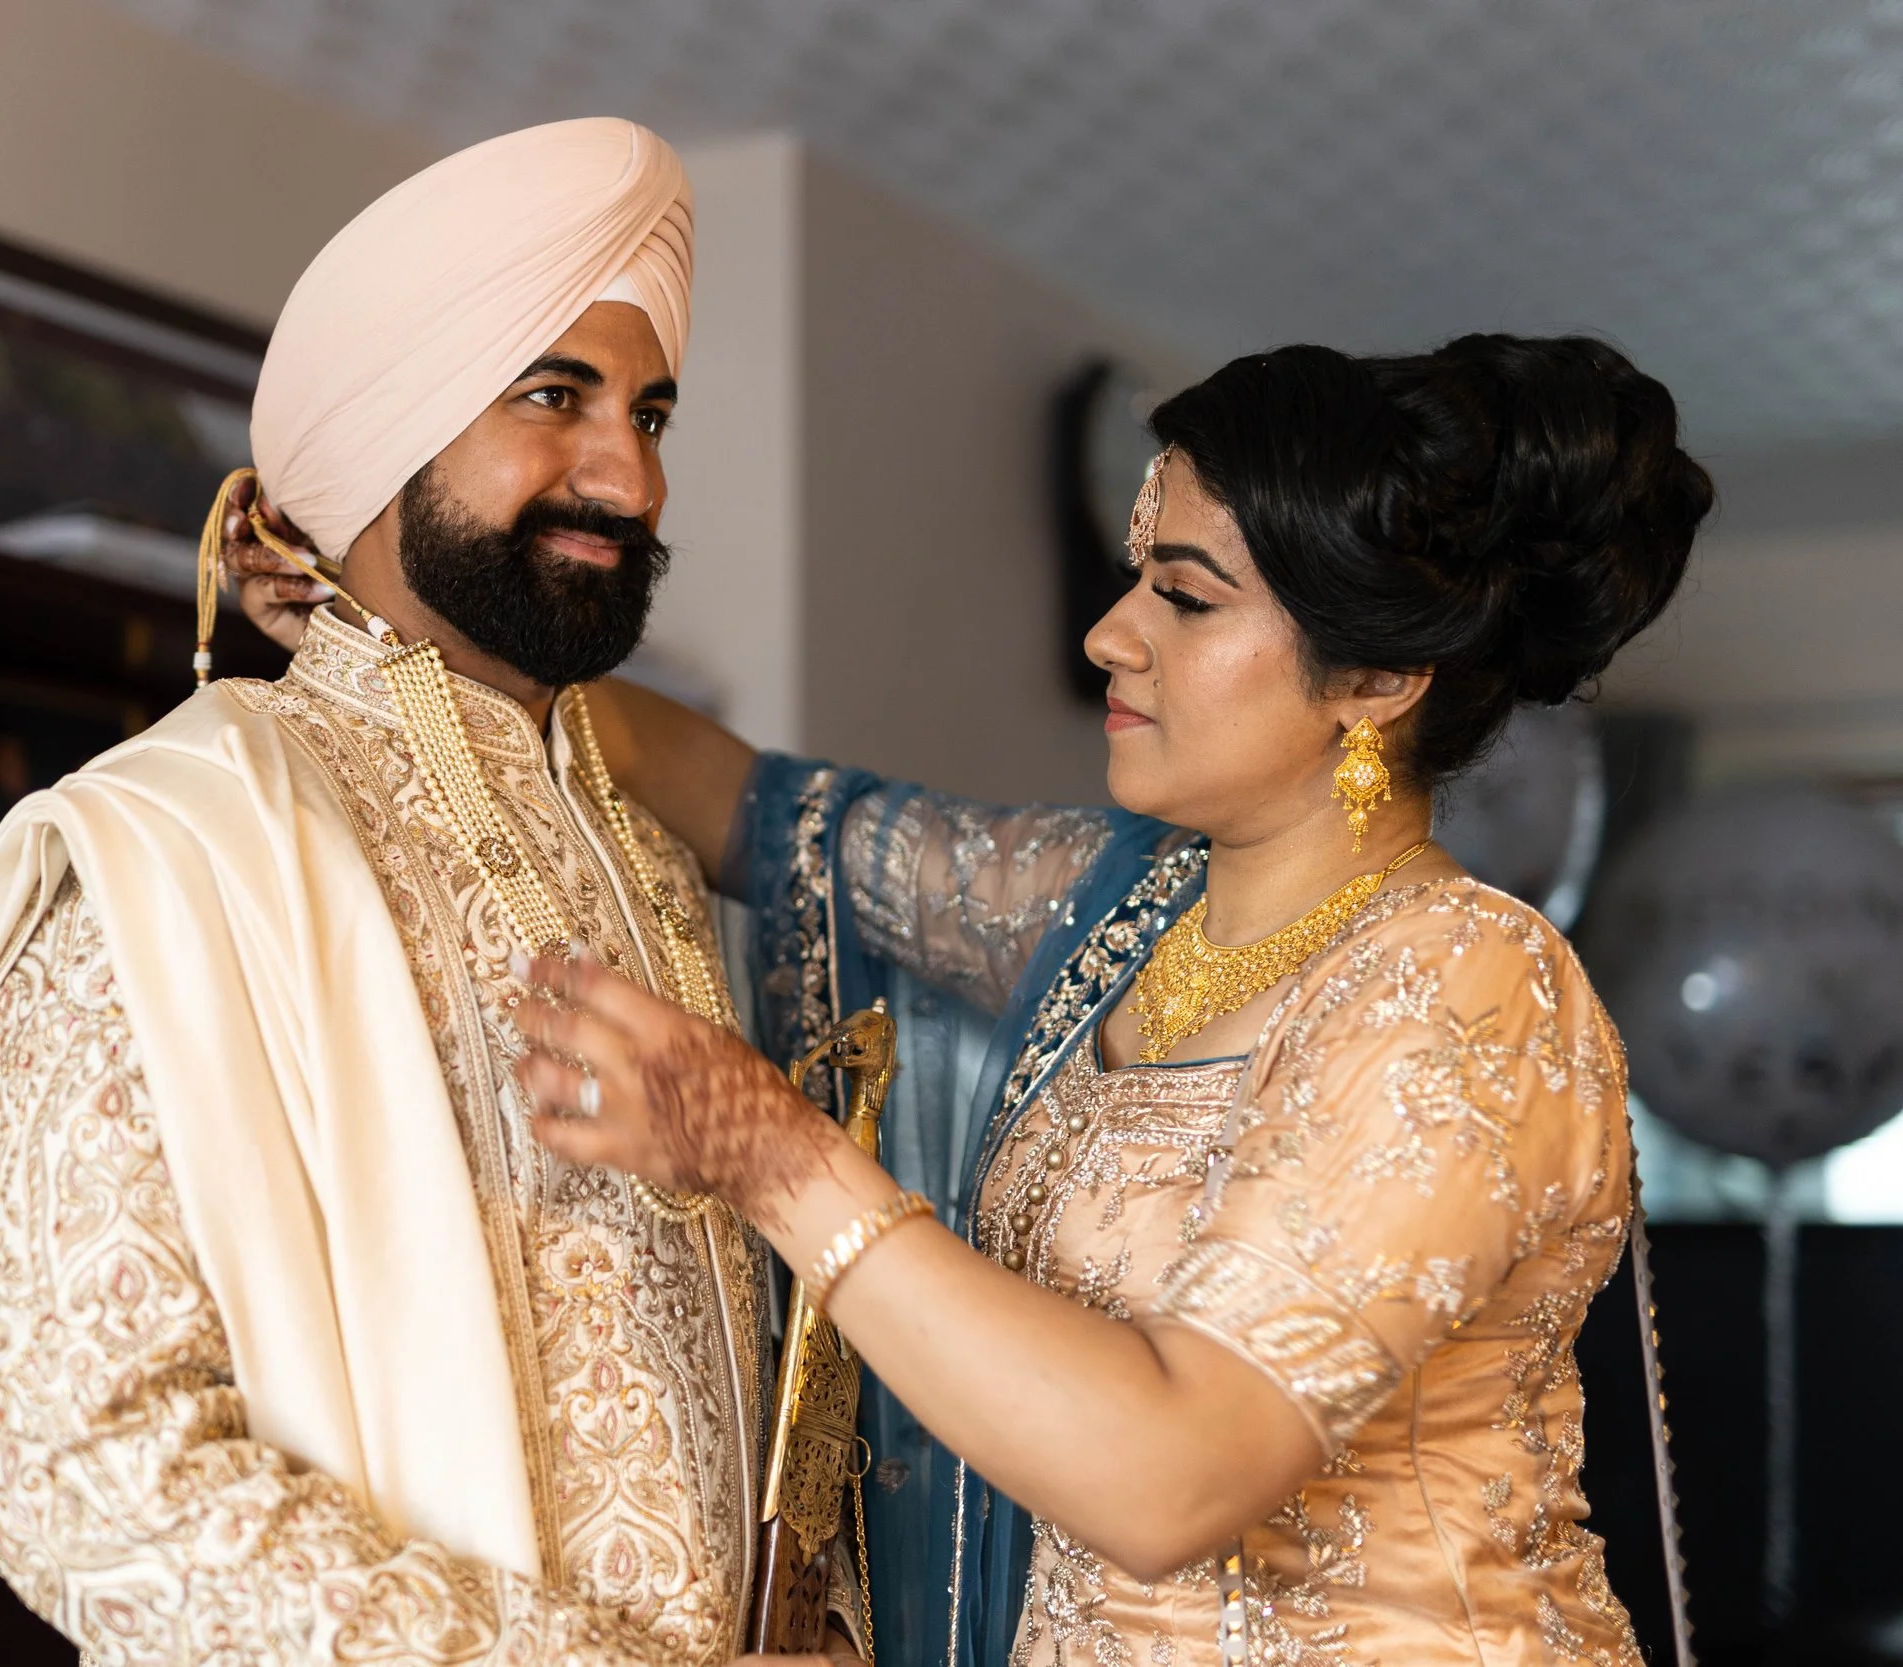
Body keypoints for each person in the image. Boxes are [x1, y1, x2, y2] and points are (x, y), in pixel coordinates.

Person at [466, 336, 1712, 1666]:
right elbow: (769, 820)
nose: (1110, 632)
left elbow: (1173, 1472)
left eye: (1185, 595)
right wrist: (407, 632)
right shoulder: (1120, 908)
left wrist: (762, 1149)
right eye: (1137, 576)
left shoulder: (1468, 983)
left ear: (1372, 681)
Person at [0, 119, 857, 1666]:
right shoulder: (165, 857)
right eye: (553, 396)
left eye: (651, 412)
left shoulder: (632, 852)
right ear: (388, 427)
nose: (628, 473)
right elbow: (99, 1489)